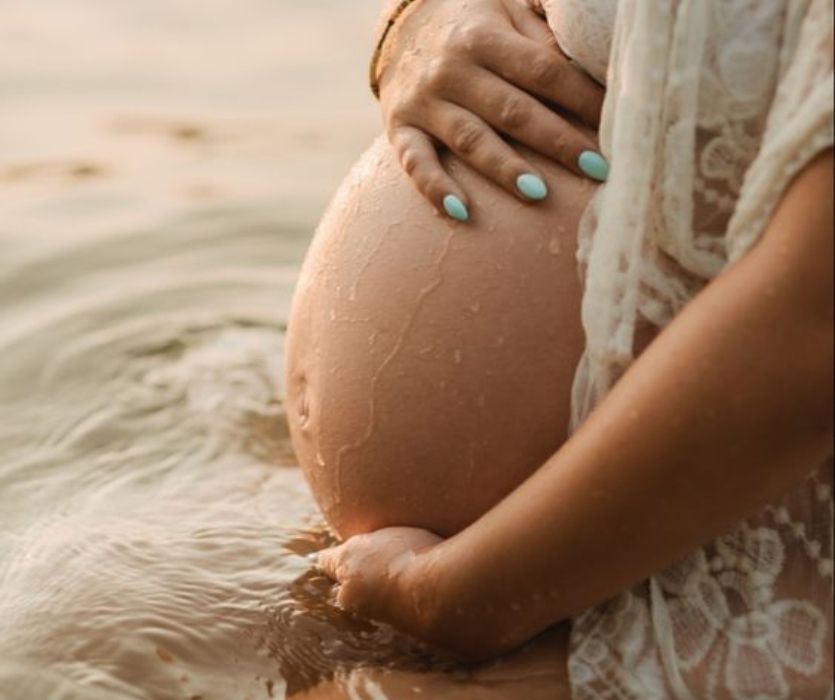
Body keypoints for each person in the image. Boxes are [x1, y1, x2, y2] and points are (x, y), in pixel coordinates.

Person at [286, 0, 834, 696]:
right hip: (469, 576)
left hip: (703, 590)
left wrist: (458, 602)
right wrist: (416, 28)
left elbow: (814, 323)